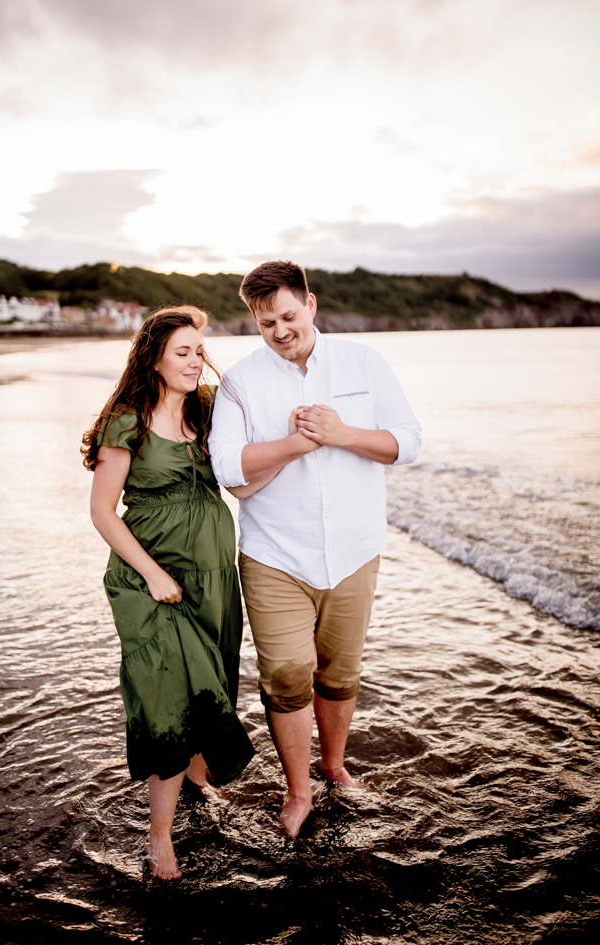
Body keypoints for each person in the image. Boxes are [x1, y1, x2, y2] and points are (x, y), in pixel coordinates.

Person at [209, 261, 421, 838]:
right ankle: (298, 791)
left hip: (355, 548)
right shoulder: (239, 382)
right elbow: (226, 466)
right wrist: (295, 444)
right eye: (265, 323)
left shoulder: (363, 362)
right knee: (285, 673)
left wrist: (340, 433)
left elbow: (408, 443)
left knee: (341, 672)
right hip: (275, 555)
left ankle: (334, 766)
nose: (279, 331)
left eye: (287, 316)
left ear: (311, 304)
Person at [81, 306, 254, 879]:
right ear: (153, 357)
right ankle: (159, 837)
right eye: (182, 352)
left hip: (213, 578)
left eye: (200, 350)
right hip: (149, 580)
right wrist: (154, 575)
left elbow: (247, 455)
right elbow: (102, 512)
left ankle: (198, 785)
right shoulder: (125, 422)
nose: (195, 360)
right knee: (168, 698)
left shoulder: (210, 409)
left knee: (210, 683)